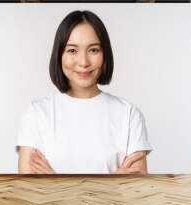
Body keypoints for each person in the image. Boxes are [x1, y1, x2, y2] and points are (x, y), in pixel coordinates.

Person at [17, 10, 153, 174]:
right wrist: (111, 183)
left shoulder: (129, 114)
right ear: (59, 55)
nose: (83, 62)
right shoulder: (36, 113)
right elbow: (29, 191)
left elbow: (135, 191)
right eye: (72, 50)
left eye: (93, 50)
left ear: (105, 55)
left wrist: (56, 183)